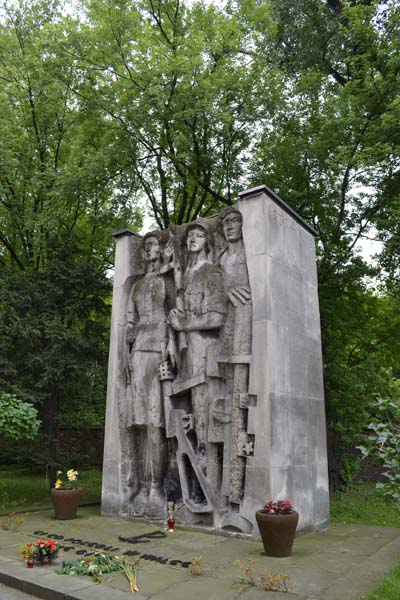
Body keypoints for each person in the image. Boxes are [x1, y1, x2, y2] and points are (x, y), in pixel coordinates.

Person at [168, 223, 226, 476]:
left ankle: (207, 470)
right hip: (187, 353)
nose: (193, 239)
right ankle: (192, 469)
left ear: (208, 243)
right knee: (192, 409)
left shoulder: (211, 272)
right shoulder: (186, 276)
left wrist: (184, 325)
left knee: (204, 411)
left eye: (199, 235)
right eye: (190, 235)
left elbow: (217, 318)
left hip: (204, 352)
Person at [124, 232, 176, 514]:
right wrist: (128, 348)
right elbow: (129, 322)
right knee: (141, 423)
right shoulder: (137, 286)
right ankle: (142, 486)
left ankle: (156, 487)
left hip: (159, 351)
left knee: (157, 424)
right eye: (146, 246)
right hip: (139, 354)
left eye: (154, 244)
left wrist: (170, 347)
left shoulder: (167, 282)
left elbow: (174, 317)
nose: (149, 249)